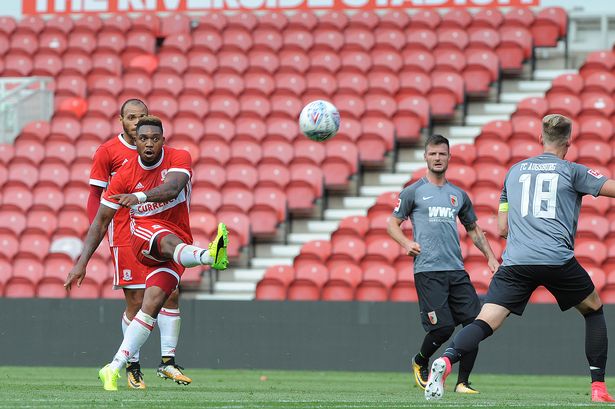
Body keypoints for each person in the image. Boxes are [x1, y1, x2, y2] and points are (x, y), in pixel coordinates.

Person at [424, 114, 615, 402]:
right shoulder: (573, 171)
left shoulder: (514, 171)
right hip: (556, 259)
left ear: (540, 139)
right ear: (569, 143)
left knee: (485, 321)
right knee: (593, 310)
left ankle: (447, 360)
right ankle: (598, 389)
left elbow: (502, 229)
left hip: (516, 262)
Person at [65, 115, 229, 391]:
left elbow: (173, 187)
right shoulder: (125, 175)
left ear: (163, 140)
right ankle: (210, 257)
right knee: (160, 243)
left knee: (151, 305)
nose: (150, 144)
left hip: (178, 243)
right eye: (144, 139)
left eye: (155, 138)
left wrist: (139, 197)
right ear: (135, 142)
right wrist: (81, 263)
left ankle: (113, 367)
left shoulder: (179, 157)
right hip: (144, 238)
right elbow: (101, 222)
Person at [87, 99, 190, 388]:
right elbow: (95, 196)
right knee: (136, 301)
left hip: (156, 227)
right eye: (132, 118)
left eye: (142, 117)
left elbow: (172, 186)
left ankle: (167, 361)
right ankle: (132, 365)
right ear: (122, 121)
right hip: (123, 232)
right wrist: (98, 229)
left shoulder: (162, 152)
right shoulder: (109, 152)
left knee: (169, 293)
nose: (137, 122)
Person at [388, 134, 500, 395]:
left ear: (449, 157)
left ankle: (462, 382)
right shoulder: (413, 192)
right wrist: (406, 244)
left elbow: (473, 229)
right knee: (443, 327)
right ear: (425, 157)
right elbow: (392, 224)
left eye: (442, 154)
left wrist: (491, 257)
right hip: (428, 271)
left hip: (456, 270)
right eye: (433, 154)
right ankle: (420, 360)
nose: (438, 158)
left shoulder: (458, 195)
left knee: (475, 324)